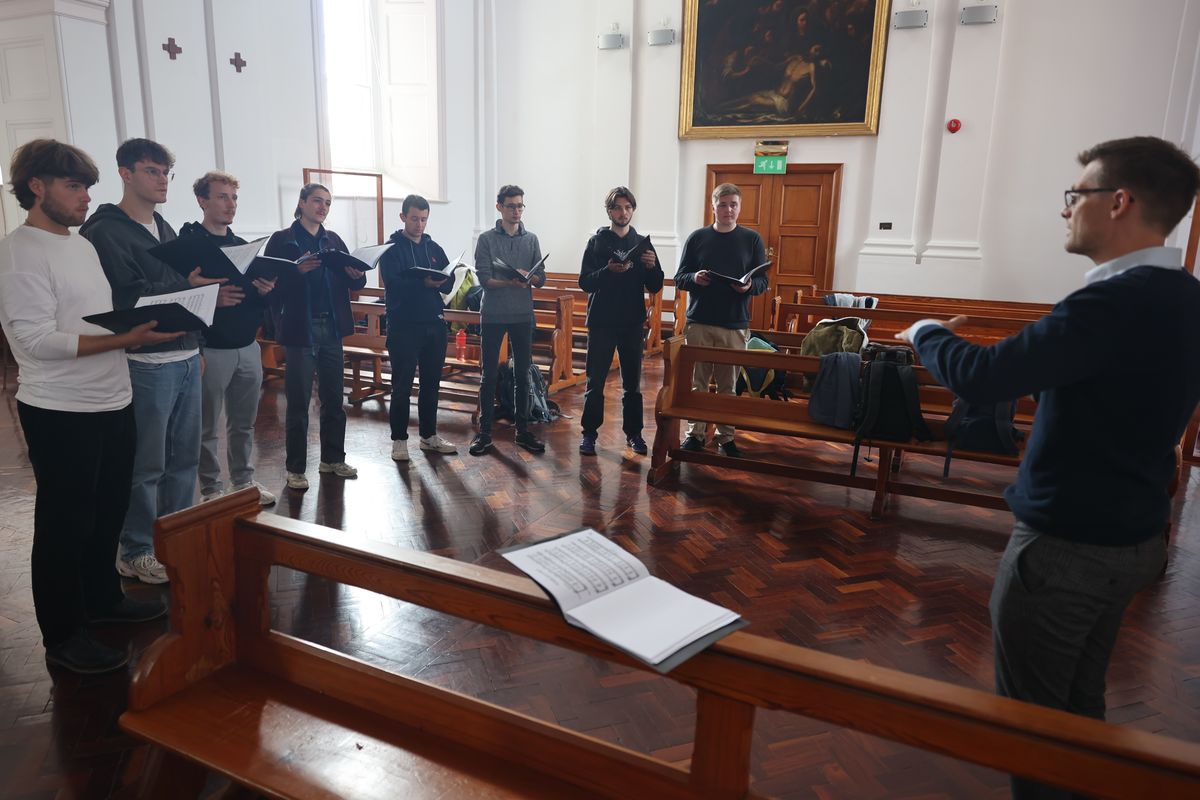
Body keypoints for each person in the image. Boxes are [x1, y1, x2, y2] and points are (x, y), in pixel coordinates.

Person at [897, 136, 1200, 800]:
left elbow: (982, 376)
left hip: (1068, 544)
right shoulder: (1184, 296)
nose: (1066, 209)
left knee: (1030, 726)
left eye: (1077, 194)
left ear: (1119, 202)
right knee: (1077, 707)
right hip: (1133, 533)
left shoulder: (1113, 302)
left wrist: (925, 331)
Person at [0, 140, 182, 673]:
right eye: (73, 185)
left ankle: (103, 598)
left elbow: (94, 316)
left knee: (107, 512)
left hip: (111, 398)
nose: (85, 197)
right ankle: (63, 634)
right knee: (65, 524)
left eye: (86, 187)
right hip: (59, 409)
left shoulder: (79, 245)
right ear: (36, 186)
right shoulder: (20, 252)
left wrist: (139, 327)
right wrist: (129, 339)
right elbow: (34, 340)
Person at [80, 138, 234, 585]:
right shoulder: (105, 231)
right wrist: (187, 287)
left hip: (184, 355)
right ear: (125, 174)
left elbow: (186, 294)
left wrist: (197, 346)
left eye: (166, 172)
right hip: (146, 360)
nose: (162, 180)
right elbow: (127, 298)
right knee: (146, 463)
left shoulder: (164, 228)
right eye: (152, 171)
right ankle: (136, 549)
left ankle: (175, 537)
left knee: (184, 459)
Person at [178, 171, 277, 506]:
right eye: (222, 197)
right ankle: (211, 489)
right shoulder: (189, 246)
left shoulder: (241, 247)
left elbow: (250, 299)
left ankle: (243, 481)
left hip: (247, 345)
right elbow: (179, 299)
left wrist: (264, 291)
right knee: (207, 426)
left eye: (234, 198)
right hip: (211, 348)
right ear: (202, 201)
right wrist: (210, 298)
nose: (230, 204)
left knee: (244, 423)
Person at [265, 183, 366, 490]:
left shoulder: (333, 240)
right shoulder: (282, 240)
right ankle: (296, 468)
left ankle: (332, 459)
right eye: (317, 201)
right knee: (298, 403)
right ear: (302, 203)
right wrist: (295, 272)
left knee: (334, 399)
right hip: (300, 329)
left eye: (328, 203)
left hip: (331, 328)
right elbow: (268, 286)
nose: (323, 207)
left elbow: (355, 281)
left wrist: (357, 275)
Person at [673, 183, 769, 458]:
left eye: (733, 204)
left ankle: (726, 438)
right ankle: (695, 435)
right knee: (698, 383)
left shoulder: (751, 239)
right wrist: (694, 278)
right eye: (723, 204)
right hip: (700, 321)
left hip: (734, 323)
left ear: (740, 207)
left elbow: (763, 282)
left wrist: (748, 286)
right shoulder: (697, 238)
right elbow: (680, 278)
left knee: (728, 386)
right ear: (713, 206)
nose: (728, 209)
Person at [578, 186, 662, 456]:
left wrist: (652, 266)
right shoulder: (596, 242)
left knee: (632, 385)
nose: (623, 212)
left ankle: (634, 434)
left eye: (627, 207)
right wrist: (608, 271)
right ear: (609, 211)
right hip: (601, 321)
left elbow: (656, 285)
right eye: (617, 208)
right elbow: (585, 282)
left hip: (631, 322)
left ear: (633, 210)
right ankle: (589, 434)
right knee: (595, 383)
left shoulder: (643, 244)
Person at [378, 194, 459, 460]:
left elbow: (449, 281)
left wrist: (444, 279)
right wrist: (422, 283)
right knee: (402, 386)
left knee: (431, 384)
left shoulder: (433, 247)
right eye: (414, 219)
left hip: (434, 324)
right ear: (403, 217)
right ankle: (399, 441)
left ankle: (428, 436)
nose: (419, 224)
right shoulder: (391, 248)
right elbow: (392, 284)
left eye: (424, 219)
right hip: (403, 326)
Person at [470, 184, 547, 456]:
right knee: (489, 374)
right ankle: (484, 434)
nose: (516, 211)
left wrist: (531, 277)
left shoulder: (531, 239)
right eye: (511, 206)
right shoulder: (487, 239)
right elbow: (484, 280)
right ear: (499, 207)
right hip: (493, 314)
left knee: (523, 374)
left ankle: (522, 431)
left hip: (522, 315)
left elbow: (542, 278)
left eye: (520, 205)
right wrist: (509, 281)